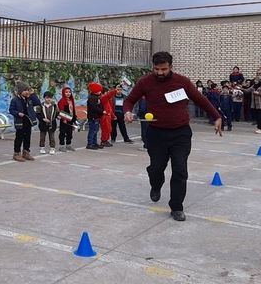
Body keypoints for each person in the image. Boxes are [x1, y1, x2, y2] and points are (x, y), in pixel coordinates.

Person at [124, 51, 222, 222]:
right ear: (152, 67)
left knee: (180, 171)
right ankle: (156, 185)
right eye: (156, 69)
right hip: (156, 133)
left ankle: (176, 207)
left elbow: (200, 99)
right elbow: (130, 100)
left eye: (164, 69)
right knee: (156, 168)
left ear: (171, 67)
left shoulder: (182, 82)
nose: (160, 73)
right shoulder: (145, 82)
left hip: (180, 134)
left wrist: (216, 116)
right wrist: (127, 111)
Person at [9, 81, 37, 162]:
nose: (27, 92)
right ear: (20, 91)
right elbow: (11, 110)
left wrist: (33, 94)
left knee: (27, 137)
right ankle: (16, 153)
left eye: (28, 90)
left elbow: (37, 103)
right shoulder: (15, 100)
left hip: (28, 121)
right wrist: (18, 113)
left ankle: (26, 152)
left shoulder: (30, 99)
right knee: (19, 137)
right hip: (20, 121)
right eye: (25, 90)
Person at [57, 86, 77, 152]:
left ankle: (68, 145)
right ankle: (61, 146)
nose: (68, 93)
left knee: (69, 132)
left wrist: (74, 119)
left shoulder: (71, 100)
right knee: (63, 133)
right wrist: (64, 119)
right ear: (63, 93)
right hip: (64, 119)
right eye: (66, 92)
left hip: (70, 119)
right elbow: (61, 111)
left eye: (69, 92)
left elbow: (73, 110)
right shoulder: (62, 101)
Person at [86, 82, 104, 150]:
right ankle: (90, 143)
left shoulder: (96, 97)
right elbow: (94, 107)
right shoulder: (92, 98)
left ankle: (94, 142)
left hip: (96, 116)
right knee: (92, 130)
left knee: (95, 130)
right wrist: (102, 111)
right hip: (93, 116)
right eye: (99, 90)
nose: (100, 92)